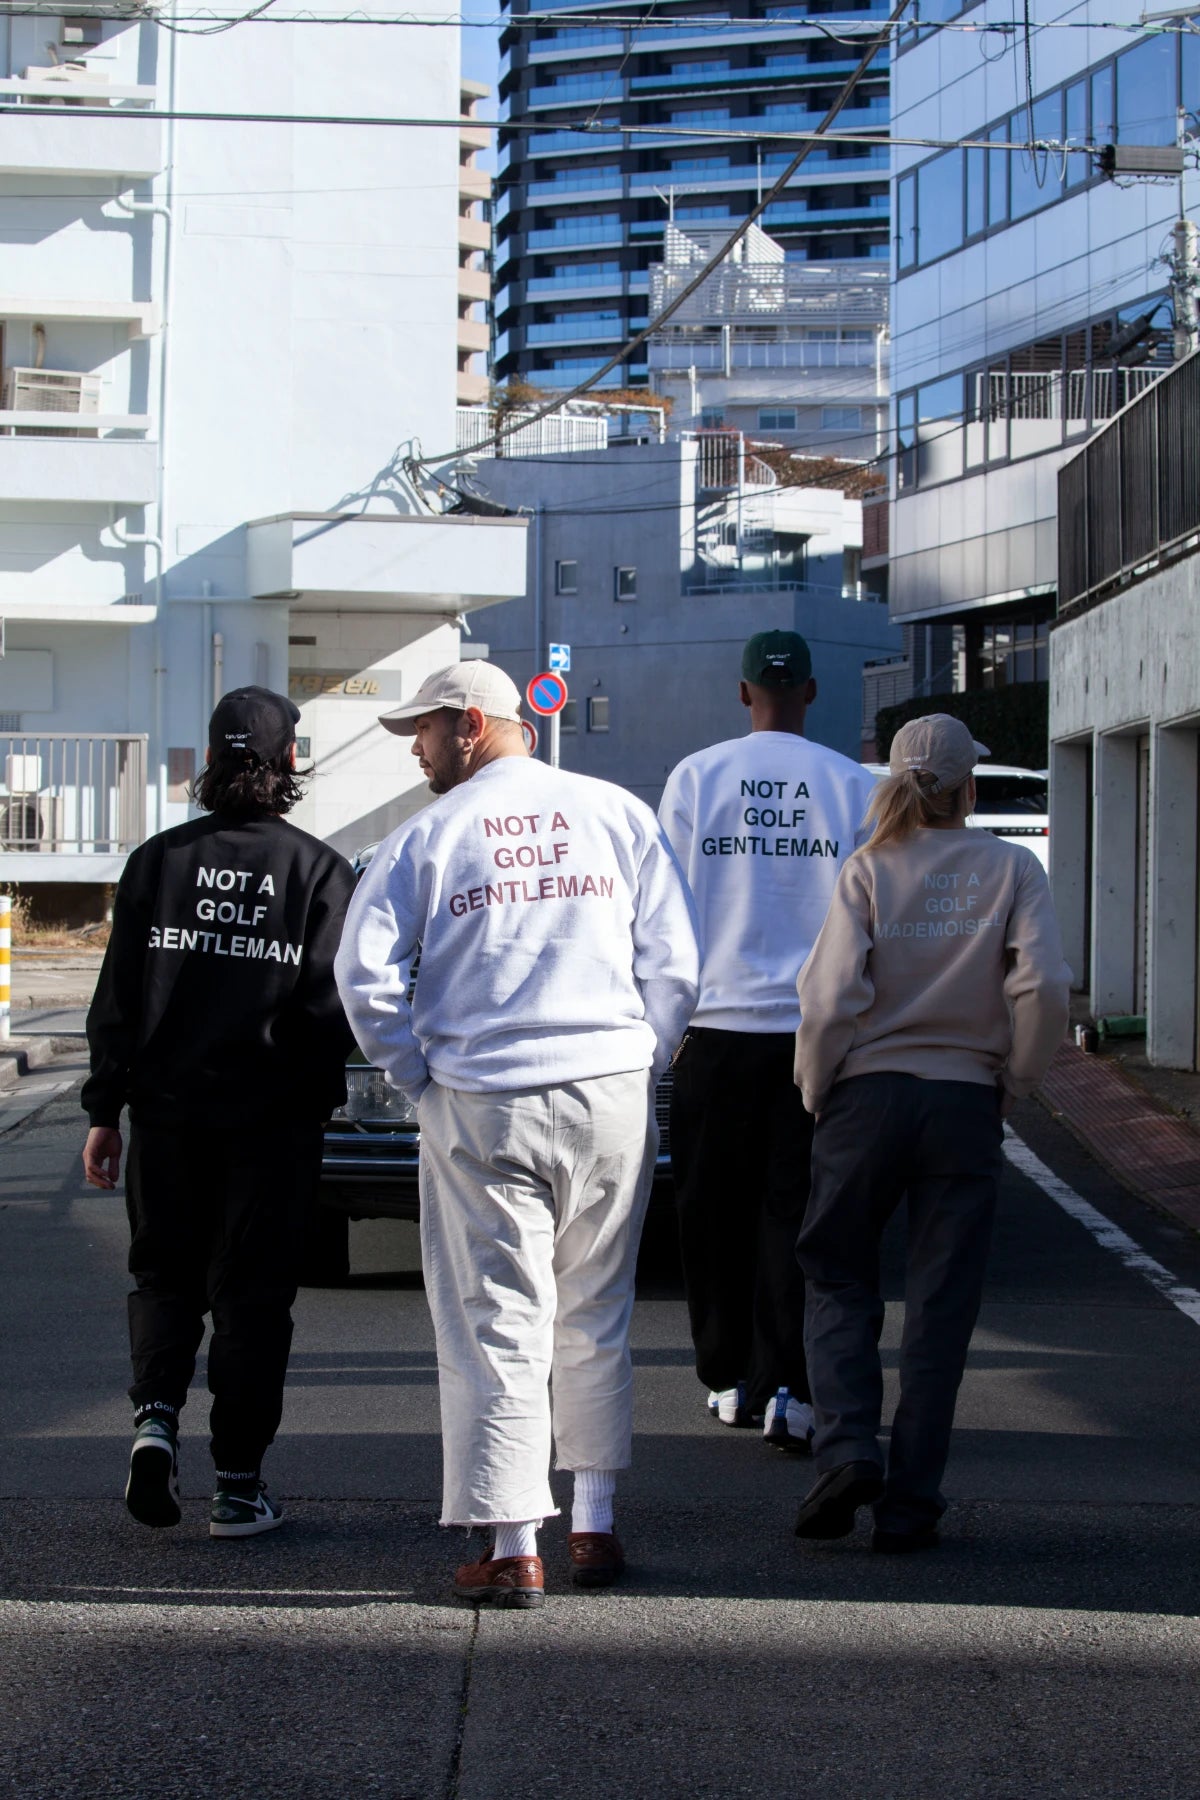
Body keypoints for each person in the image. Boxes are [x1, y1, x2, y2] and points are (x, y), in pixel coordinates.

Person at [336, 661, 699, 1609]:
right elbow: (674, 958)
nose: (415, 747)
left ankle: (510, 1542)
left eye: (422, 729)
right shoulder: (615, 812)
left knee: (498, 1318)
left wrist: (416, 1076)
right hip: (609, 1088)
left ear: (469, 725)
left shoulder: (425, 835)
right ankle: (596, 1521)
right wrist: (642, 1059)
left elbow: (364, 975)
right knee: (596, 1308)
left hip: (484, 1095)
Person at [81, 686, 356, 1539]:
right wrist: (310, 1091)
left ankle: (154, 1422)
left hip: (166, 1116)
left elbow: (118, 997)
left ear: (208, 759)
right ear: (289, 764)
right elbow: (332, 1009)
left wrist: (104, 1109)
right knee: (254, 1298)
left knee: (163, 1276)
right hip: (274, 1126)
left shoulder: (156, 863)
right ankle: (237, 1484)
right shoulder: (318, 871)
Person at [792, 714, 1071, 1551]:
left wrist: (816, 1089)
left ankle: (845, 1450)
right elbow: (1045, 987)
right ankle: (911, 1503)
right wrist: (1015, 1078)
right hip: (963, 1104)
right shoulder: (1013, 867)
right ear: (968, 788)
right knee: (941, 1307)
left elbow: (828, 996)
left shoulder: (868, 868)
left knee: (838, 1277)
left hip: (866, 1099)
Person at [658, 630, 877, 1451]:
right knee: (798, 1211)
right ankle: (791, 1383)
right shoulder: (849, 782)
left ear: (742, 693)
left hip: (712, 1029)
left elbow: (663, 910)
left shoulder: (697, 777)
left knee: (708, 1210)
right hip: (816, 1036)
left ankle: (726, 1375)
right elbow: (868, 917)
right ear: (812, 693)